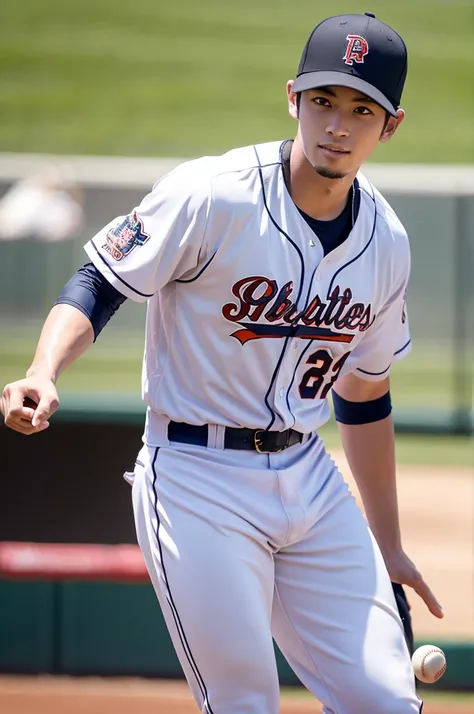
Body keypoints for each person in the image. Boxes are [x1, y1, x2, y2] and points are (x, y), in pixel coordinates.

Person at [1, 12, 442, 713]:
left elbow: (365, 393)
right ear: (293, 97)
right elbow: (100, 282)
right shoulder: (214, 194)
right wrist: (44, 369)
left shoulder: (386, 241)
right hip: (196, 478)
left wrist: (386, 546)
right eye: (325, 101)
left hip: (310, 478)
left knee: (386, 703)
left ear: (389, 125)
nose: (338, 124)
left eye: (362, 110)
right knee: (243, 704)